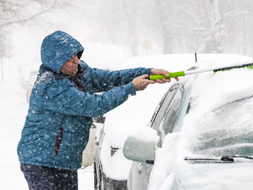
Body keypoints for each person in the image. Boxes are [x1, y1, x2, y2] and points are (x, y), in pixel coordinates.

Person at [17, 30, 177, 190]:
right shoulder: (50, 86)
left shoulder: (80, 71)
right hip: (41, 162)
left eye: (76, 54)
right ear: (55, 61)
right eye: (69, 58)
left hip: (63, 161)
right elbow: (92, 105)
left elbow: (111, 78)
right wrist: (131, 88)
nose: (76, 60)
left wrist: (148, 73)